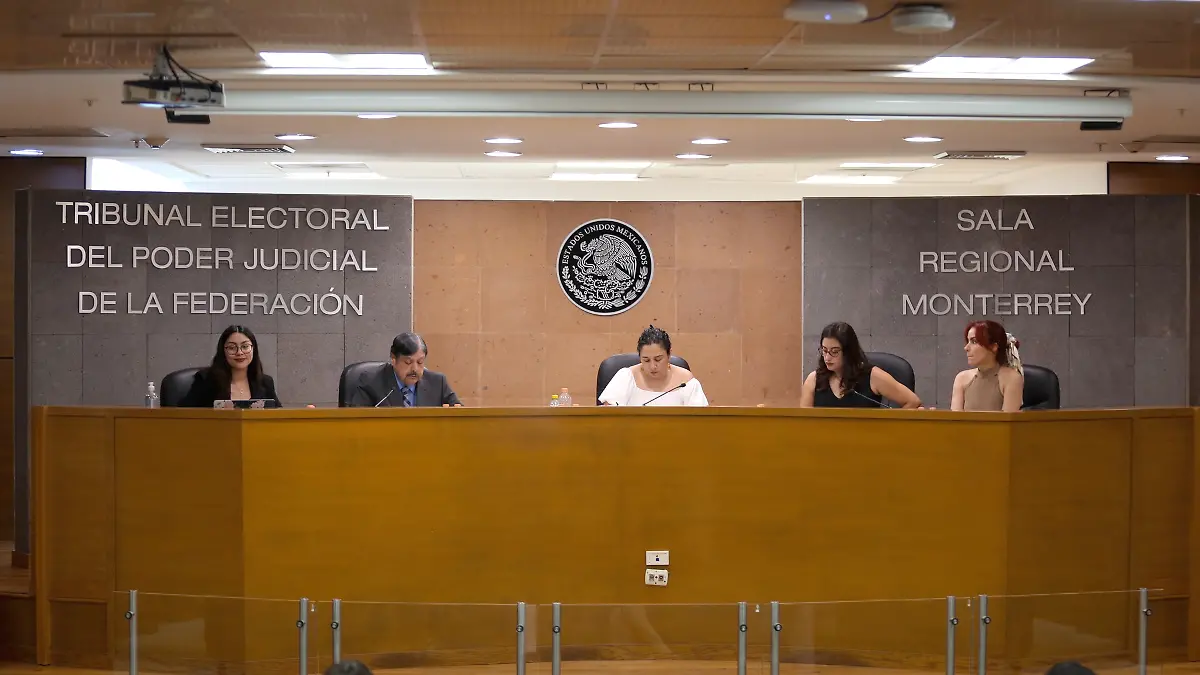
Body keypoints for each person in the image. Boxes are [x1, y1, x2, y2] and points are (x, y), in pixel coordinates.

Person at [800, 322, 921, 409]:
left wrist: (888, 429)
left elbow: (913, 401)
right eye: (824, 350)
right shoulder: (814, 380)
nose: (827, 357)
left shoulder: (872, 376)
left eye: (834, 352)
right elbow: (804, 423)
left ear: (848, 352)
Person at [599, 325, 708, 406]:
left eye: (658, 359)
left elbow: (700, 420)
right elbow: (609, 416)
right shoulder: (626, 377)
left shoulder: (685, 381)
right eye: (646, 360)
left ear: (669, 354)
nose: (652, 366)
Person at [346, 332, 462, 407]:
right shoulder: (370, 382)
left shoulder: (437, 383)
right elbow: (357, 423)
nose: (414, 369)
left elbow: (460, 417)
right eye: (408, 362)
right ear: (393, 359)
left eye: (420, 362)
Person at [179, 325, 281, 407]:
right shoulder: (206, 380)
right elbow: (184, 414)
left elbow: (279, 416)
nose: (239, 352)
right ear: (223, 351)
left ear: (253, 349)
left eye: (245, 346)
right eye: (232, 348)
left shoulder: (265, 382)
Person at [951, 320, 1024, 412]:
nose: (966, 348)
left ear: (993, 347)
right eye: (968, 341)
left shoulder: (1012, 378)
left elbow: (1007, 420)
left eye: (974, 342)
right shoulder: (961, 378)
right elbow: (955, 419)